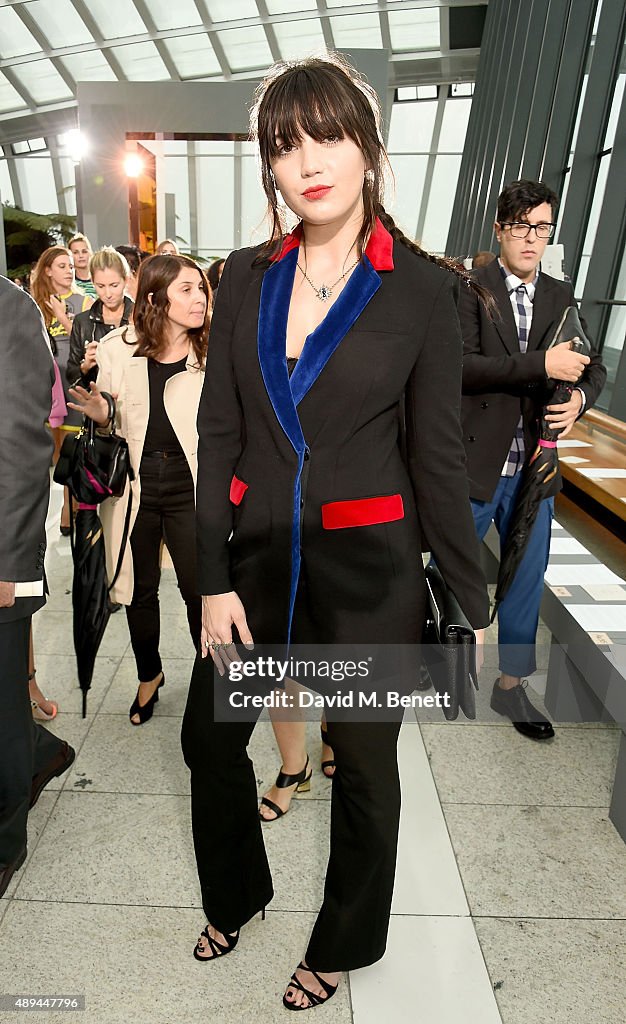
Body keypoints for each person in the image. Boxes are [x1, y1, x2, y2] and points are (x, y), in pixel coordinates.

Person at [181, 55, 490, 1011]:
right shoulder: (242, 278)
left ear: (368, 147)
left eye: (327, 136)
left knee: (363, 767)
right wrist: (211, 579)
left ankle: (341, 940)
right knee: (208, 740)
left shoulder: (425, 294)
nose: (307, 161)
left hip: (370, 575)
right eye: (284, 144)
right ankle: (237, 892)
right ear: (269, 165)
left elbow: (436, 457)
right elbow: (219, 435)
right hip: (258, 566)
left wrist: (472, 601)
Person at [459, 179, 606, 740]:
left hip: (533, 466)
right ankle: (438, 651)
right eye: (521, 226)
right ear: (500, 229)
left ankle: (511, 686)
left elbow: (592, 368)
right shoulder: (470, 288)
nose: (531, 238)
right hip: (474, 461)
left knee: (525, 577)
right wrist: (541, 364)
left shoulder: (561, 296)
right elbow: (462, 368)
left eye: (542, 228)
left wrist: (580, 400)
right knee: (451, 562)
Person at [67, 254, 209, 726]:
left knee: (200, 589)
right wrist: (104, 414)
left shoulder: (212, 350)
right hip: (134, 483)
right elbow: (110, 414)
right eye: (187, 289)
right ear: (155, 297)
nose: (200, 298)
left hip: (192, 485)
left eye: (201, 288)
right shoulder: (116, 349)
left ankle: (211, 682)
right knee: (138, 587)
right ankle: (150, 674)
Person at [0, 275, 75, 899]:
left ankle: (6, 840)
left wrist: (8, 563)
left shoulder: (6, 306)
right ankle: (42, 751)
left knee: (0, 706)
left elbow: (22, 446)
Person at [31, 246, 92, 534]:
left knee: (74, 451)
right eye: (62, 265)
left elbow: (86, 344)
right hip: (46, 392)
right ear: (47, 271)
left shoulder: (82, 302)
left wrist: (63, 316)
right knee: (52, 458)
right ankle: (66, 506)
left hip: (74, 387)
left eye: (71, 265)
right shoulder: (33, 304)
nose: (69, 270)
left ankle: (72, 508)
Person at [66, 247, 134, 389]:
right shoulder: (82, 323)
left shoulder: (142, 317)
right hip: (100, 403)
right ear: (92, 282)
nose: (108, 293)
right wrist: (85, 366)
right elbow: (72, 376)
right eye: (101, 286)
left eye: (114, 285)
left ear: (126, 280)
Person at [68, 233, 97, 300]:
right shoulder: (68, 281)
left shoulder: (100, 278)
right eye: (75, 252)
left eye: (84, 251)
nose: (81, 256)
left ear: (90, 253)